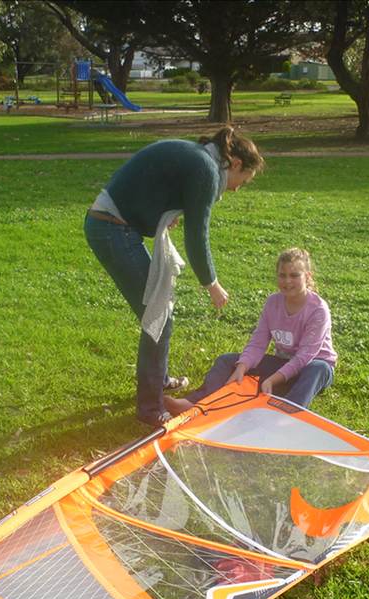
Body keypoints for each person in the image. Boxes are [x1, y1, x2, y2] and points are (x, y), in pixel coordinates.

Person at [84, 126, 264, 427]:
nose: (235, 189)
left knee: (158, 314)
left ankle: (159, 380)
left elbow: (153, 184)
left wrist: (158, 214)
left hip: (111, 224)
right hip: (110, 229)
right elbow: (197, 235)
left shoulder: (200, 159)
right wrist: (212, 284)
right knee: (158, 317)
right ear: (234, 164)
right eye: (241, 182)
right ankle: (150, 410)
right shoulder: (206, 169)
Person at [165, 248, 336, 412]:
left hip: (311, 368)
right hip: (283, 363)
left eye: (294, 275)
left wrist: (273, 379)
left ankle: (288, 413)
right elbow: (258, 342)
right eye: (282, 275)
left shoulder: (318, 309)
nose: (287, 281)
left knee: (317, 368)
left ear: (307, 276)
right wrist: (242, 367)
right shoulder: (272, 303)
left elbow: (304, 357)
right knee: (226, 360)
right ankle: (193, 403)